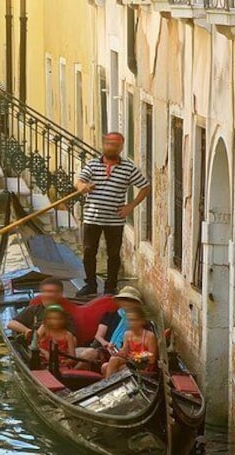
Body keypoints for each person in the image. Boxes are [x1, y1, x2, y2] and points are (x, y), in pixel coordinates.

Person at [75, 132, 152, 296]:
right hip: (91, 217)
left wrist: (131, 206)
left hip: (114, 220)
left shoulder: (129, 168)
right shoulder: (93, 164)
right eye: (108, 144)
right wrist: (82, 186)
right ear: (104, 145)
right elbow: (79, 180)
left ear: (121, 147)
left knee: (114, 254)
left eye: (115, 145)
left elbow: (145, 187)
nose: (111, 147)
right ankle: (90, 284)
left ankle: (110, 287)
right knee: (89, 251)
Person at [103, 306, 158, 377]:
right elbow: (124, 352)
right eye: (129, 320)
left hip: (143, 366)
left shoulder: (150, 336)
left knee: (113, 363)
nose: (130, 323)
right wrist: (115, 351)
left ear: (142, 321)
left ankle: (108, 386)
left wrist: (134, 356)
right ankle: (110, 386)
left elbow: (152, 358)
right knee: (105, 366)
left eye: (133, 320)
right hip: (130, 362)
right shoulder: (127, 334)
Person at [91, 286, 144, 355]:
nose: (126, 303)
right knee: (89, 353)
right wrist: (107, 345)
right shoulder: (109, 316)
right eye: (124, 299)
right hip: (104, 348)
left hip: (124, 354)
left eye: (130, 300)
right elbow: (99, 336)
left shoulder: (138, 321)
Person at [36, 305, 77, 369]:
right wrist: (45, 352)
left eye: (59, 318)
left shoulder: (68, 335)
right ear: (46, 319)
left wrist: (67, 362)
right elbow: (33, 345)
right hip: (42, 363)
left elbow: (73, 357)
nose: (56, 321)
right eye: (52, 318)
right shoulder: (44, 329)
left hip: (60, 366)